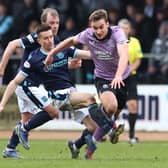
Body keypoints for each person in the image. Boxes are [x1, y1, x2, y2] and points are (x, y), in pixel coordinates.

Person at [0, 8, 98, 159]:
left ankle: (10, 148)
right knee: (48, 113)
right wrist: (2, 68)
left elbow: (53, 64)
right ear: (43, 24)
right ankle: (21, 133)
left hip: (35, 84)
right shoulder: (36, 37)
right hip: (27, 84)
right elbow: (12, 45)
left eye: (57, 23)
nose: (55, 26)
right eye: (51, 23)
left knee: (27, 120)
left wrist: (69, 64)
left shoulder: (55, 40)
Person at [45, 9, 130, 159]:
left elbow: (124, 55)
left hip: (122, 78)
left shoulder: (118, 33)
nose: (98, 31)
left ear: (108, 25)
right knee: (110, 107)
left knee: (109, 116)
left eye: (101, 27)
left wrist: (118, 75)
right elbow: (71, 41)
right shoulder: (88, 34)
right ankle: (97, 139)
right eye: (95, 28)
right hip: (103, 78)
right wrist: (52, 53)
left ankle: (78, 144)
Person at [118, 18, 143, 144]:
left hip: (130, 77)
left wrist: (127, 70)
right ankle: (104, 132)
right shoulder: (114, 42)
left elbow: (138, 59)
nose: (123, 30)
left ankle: (131, 136)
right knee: (113, 108)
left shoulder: (135, 42)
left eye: (126, 28)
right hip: (116, 77)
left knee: (133, 105)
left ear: (129, 30)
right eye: (121, 28)